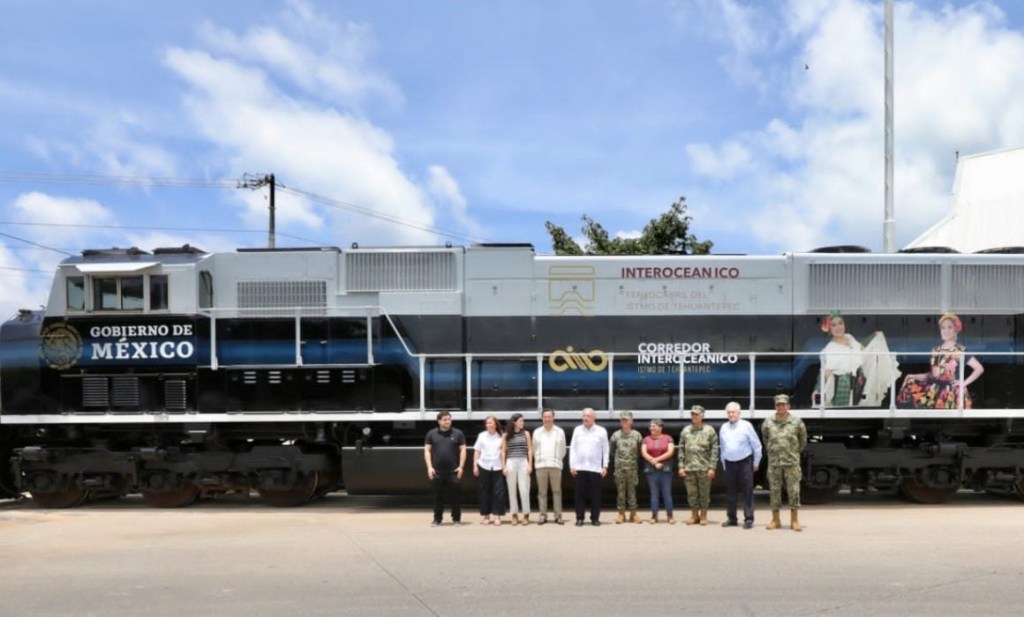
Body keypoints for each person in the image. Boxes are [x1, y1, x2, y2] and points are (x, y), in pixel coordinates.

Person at [896, 312, 984, 409]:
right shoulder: (935, 350)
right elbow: (932, 375)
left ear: (956, 329)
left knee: (949, 414)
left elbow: (979, 368)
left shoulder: (960, 350)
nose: (946, 331)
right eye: (943, 328)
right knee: (921, 402)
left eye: (949, 327)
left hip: (951, 393)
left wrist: (963, 383)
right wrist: (914, 376)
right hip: (933, 392)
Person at [812, 311, 900, 407]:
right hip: (842, 388)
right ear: (829, 329)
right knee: (843, 412)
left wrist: (874, 336)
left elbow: (861, 348)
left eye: (840, 323)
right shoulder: (830, 349)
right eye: (834, 325)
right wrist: (817, 389)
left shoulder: (849, 337)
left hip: (857, 385)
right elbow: (825, 373)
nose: (838, 327)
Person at [761, 394, 808, 532]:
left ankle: (794, 520)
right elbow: (765, 439)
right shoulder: (768, 422)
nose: (781, 407)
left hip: (791, 462)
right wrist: (774, 451)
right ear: (775, 406)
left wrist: (793, 452)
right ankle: (775, 520)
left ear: (788, 406)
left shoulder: (797, 422)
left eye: (783, 404)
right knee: (774, 490)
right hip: (774, 462)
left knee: (794, 490)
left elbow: (803, 441)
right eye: (778, 404)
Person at [719, 401, 762, 529]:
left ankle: (749, 519)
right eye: (729, 412)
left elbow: (756, 445)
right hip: (729, 463)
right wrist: (724, 464)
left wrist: (756, 462)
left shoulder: (746, 426)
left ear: (739, 413)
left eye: (733, 412)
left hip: (744, 462)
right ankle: (732, 518)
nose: (731, 415)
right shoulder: (724, 427)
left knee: (747, 491)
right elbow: (722, 447)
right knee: (730, 491)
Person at [677, 405, 719, 526]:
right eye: (692, 414)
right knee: (692, 494)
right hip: (689, 468)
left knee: (704, 493)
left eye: (696, 414)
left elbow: (714, 450)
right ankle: (694, 515)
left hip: (704, 468)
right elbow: (681, 449)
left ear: (702, 416)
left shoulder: (709, 430)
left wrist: (712, 467)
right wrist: (681, 466)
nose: (694, 416)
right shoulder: (686, 430)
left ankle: (704, 515)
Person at [424, 410, 467, 527]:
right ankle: (437, 519)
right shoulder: (431, 434)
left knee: (455, 497)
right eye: (445, 420)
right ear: (439, 421)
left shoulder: (458, 433)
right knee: (438, 497)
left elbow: (463, 449)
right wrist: (429, 467)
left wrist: (461, 467)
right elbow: (427, 450)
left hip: (453, 471)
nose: (447, 421)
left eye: (449, 419)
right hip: (437, 471)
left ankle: (456, 519)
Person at [569, 407, 609, 526]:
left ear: (594, 418)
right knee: (579, 495)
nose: (585, 418)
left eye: (588, 416)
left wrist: (605, 466)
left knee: (595, 495)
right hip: (580, 467)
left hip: (595, 468)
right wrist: (572, 465)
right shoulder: (577, 430)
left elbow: (606, 449)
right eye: (584, 416)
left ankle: (595, 518)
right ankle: (580, 518)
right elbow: (573, 448)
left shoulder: (601, 431)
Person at [533, 408, 567, 525]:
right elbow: (534, 448)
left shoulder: (560, 432)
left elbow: (563, 450)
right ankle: (543, 515)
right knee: (542, 492)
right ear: (542, 418)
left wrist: (557, 459)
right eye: (545, 417)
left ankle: (558, 516)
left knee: (557, 491)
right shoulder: (537, 432)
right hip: (541, 465)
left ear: (553, 417)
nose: (547, 419)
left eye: (549, 417)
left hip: (555, 465)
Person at [609, 410, 642, 524]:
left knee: (632, 492)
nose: (624, 422)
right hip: (620, 469)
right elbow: (612, 451)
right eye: (622, 420)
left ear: (631, 421)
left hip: (632, 469)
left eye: (626, 420)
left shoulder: (637, 435)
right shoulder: (615, 435)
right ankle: (621, 514)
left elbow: (640, 451)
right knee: (621, 493)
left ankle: (633, 514)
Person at [472, 415, 506, 526]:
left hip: (497, 467)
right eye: (487, 423)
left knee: (498, 492)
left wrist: (504, 466)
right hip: (483, 466)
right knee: (484, 491)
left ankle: (497, 516)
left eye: (490, 423)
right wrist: (475, 466)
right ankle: (486, 515)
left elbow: (503, 452)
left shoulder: (502, 436)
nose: (488, 425)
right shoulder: (481, 435)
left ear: (496, 424)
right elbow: (477, 451)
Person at [642, 418, 676, 524]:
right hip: (651, 470)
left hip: (666, 470)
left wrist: (657, 460)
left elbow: (670, 452)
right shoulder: (646, 439)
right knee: (654, 493)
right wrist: (654, 462)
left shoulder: (668, 438)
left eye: (654, 426)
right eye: (650, 426)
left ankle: (670, 515)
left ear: (660, 427)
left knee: (667, 493)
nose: (651, 428)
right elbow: (644, 453)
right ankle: (654, 515)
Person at [502, 413, 533, 525]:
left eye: (523, 421)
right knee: (512, 489)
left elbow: (530, 449)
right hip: (511, 461)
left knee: (524, 489)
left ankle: (526, 514)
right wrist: (504, 466)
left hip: (523, 461)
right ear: (514, 422)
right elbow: (503, 451)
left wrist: (530, 464)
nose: (522, 423)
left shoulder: (526, 434)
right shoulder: (506, 435)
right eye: (520, 421)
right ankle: (514, 514)